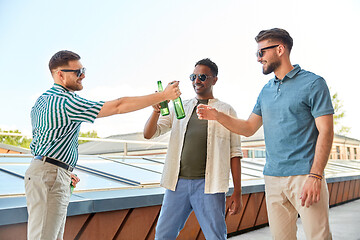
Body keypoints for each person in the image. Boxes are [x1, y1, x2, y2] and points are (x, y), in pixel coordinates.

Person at [25, 50, 181, 240]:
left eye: (83, 70)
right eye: (78, 71)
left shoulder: (42, 101)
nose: (83, 75)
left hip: (48, 173)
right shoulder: (65, 101)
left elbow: (46, 140)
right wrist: (162, 96)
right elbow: (118, 106)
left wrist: (62, 170)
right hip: (50, 176)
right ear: (60, 74)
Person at [197, 29, 334, 240]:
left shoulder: (313, 84)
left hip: (305, 176)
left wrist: (315, 175)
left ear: (280, 49)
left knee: (318, 237)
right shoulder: (266, 90)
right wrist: (217, 116)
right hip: (272, 178)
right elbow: (249, 127)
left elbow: (326, 131)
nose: (259, 58)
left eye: (262, 52)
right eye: (257, 53)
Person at [143, 58, 243, 240]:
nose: (197, 81)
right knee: (163, 235)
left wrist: (237, 192)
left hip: (209, 186)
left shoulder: (226, 110)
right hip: (177, 184)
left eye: (202, 76)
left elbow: (234, 153)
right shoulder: (180, 107)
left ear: (215, 80)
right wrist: (156, 111)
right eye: (193, 76)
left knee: (216, 236)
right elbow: (149, 134)